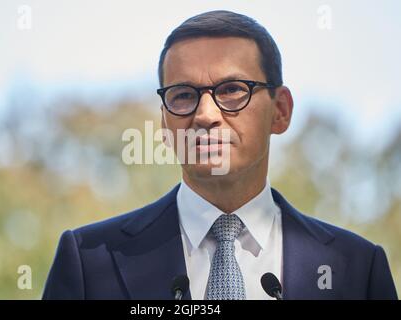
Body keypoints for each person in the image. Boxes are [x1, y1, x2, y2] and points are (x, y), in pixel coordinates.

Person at [42, 10, 398, 300]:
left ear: (280, 111)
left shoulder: (357, 268)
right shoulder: (90, 261)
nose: (205, 115)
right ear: (165, 125)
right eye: (183, 95)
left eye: (232, 90)